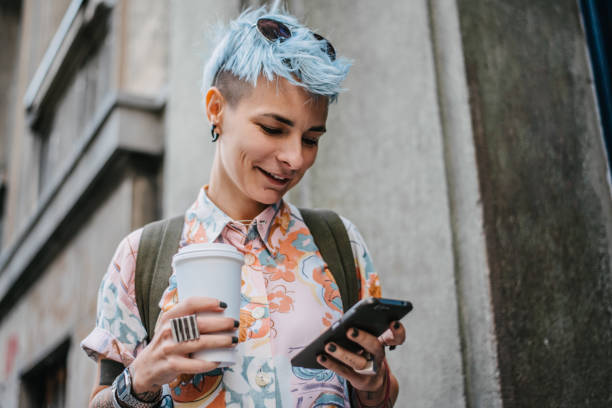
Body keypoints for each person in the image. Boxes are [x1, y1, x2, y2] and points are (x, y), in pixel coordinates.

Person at [82, 6, 406, 408]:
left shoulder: (341, 242)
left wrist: (374, 388)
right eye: (273, 128)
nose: (296, 158)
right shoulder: (140, 256)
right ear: (216, 109)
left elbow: (380, 396)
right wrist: (143, 377)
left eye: (311, 138)